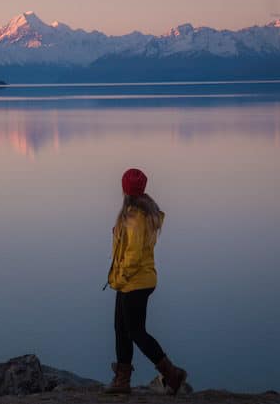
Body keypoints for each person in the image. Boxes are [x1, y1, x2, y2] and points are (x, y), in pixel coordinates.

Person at [103, 168, 187, 395]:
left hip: (134, 282)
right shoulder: (139, 212)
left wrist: (121, 278)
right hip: (133, 281)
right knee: (121, 329)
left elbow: (133, 256)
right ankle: (122, 379)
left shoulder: (135, 218)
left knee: (136, 332)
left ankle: (172, 374)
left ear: (125, 189)